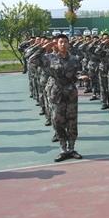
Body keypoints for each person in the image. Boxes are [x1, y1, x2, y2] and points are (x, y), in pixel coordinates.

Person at [29, 34, 85, 162]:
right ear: (57, 44)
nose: (63, 44)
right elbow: (32, 59)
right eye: (61, 42)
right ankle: (63, 149)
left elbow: (77, 73)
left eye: (65, 42)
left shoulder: (74, 59)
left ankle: (71, 148)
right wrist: (45, 47)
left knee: (72, 121)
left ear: (69, 44)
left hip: (70, 93)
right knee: (57, 121)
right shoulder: (49, 58)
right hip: (56, 92)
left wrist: (80, 77)